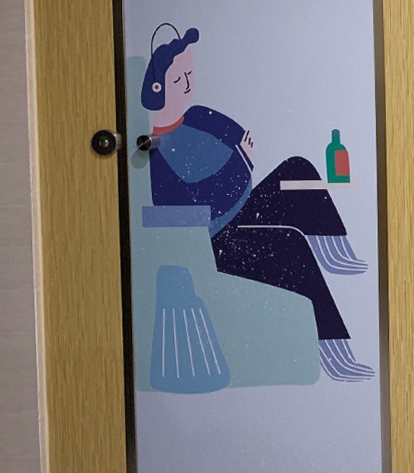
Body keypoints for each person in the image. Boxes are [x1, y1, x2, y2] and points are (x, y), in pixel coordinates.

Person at [143, 24, 375, 382]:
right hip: (218, 239)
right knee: (290, 246)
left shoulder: (198, 116)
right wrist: (239, 164)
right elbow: (203, 199)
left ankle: (338, 259)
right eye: (178, 80)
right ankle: (334, 352)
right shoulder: (158, 154)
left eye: (190, 74)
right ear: (156, 90)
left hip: (243, 205)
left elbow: (240, 139)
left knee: (297, 168)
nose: (187, 85)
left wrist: (235, 169)